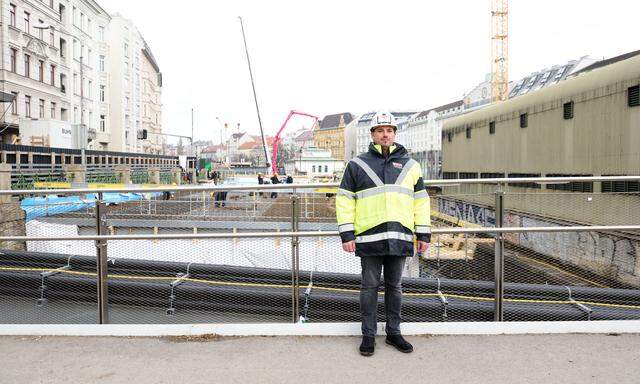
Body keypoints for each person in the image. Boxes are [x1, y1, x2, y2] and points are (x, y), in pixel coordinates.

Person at [335, 110, 431, 357]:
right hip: (369, 236)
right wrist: (347, 235)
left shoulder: (411, 166)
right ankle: (368, 335)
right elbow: (344, 200)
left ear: (395, 134)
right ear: (373, 134)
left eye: (389, 130)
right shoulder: (357, 164)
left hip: (399, 236)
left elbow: (421, 201)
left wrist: (423, 234)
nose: (385, 134)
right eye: (380, 130)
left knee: (395, 287)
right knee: (368, 287)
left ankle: (393, 332)